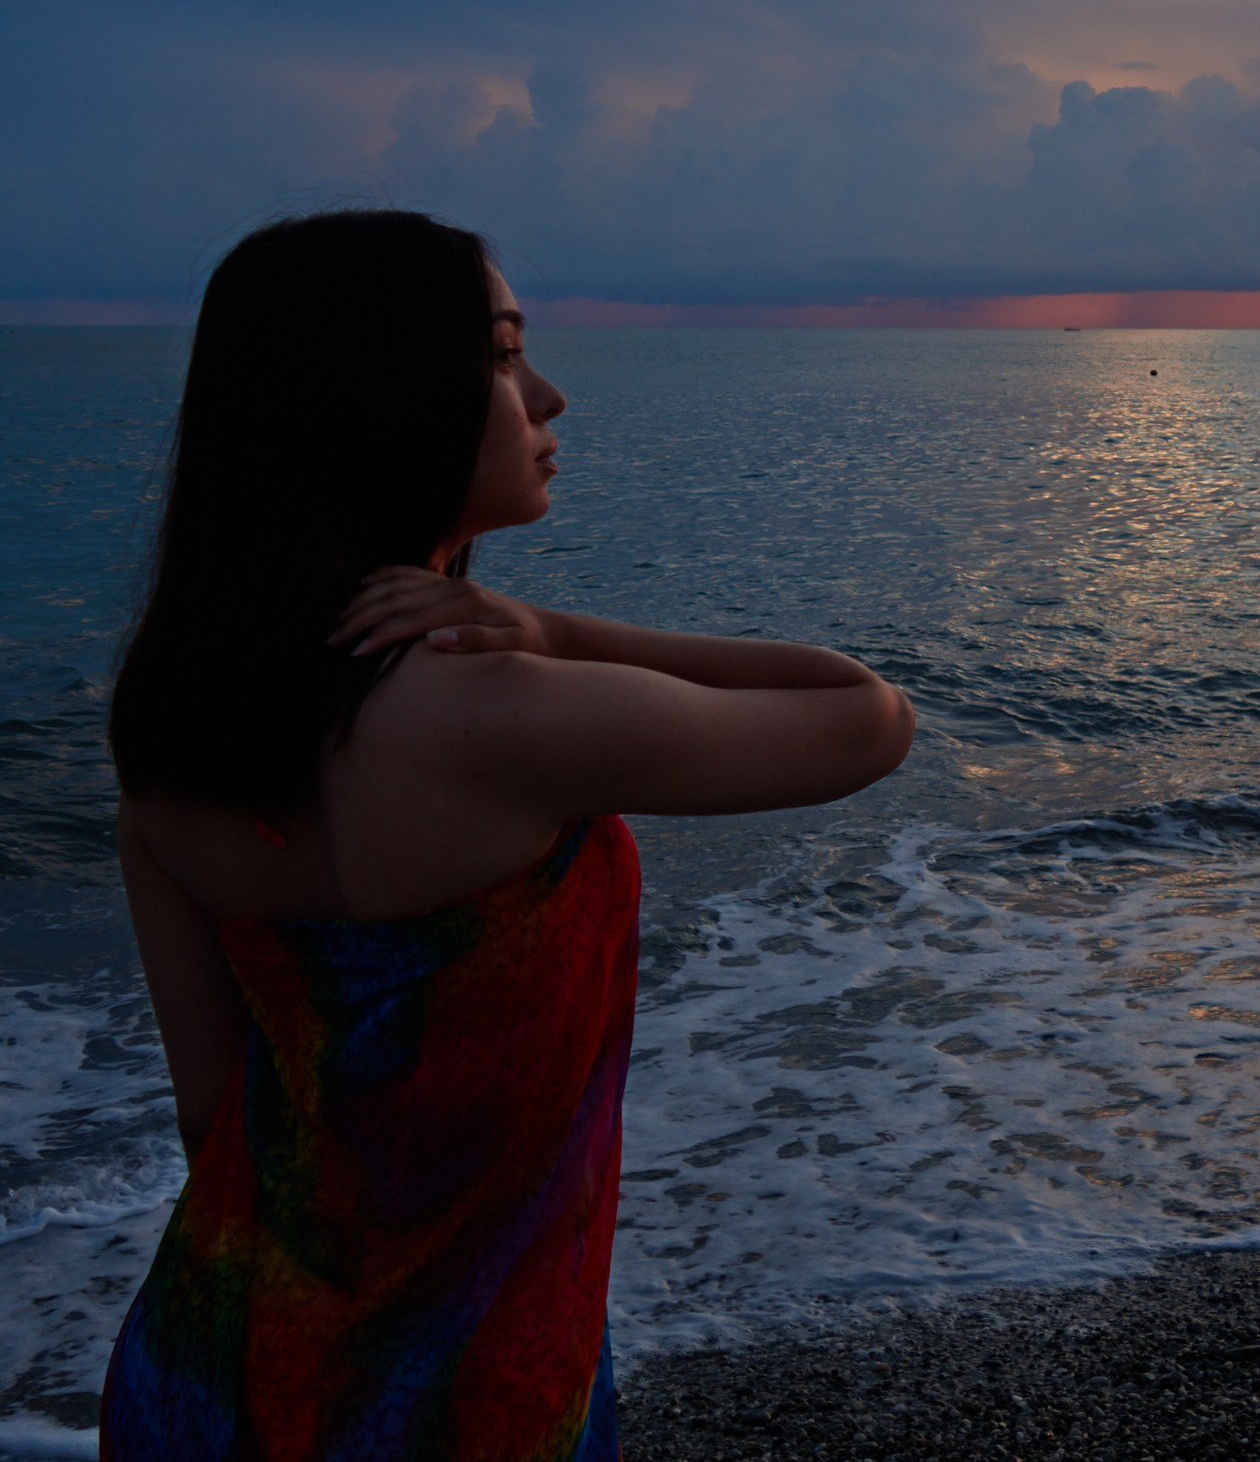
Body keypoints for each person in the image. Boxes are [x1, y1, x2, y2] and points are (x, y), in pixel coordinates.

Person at [97, 210, 913, 1460]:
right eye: (498, 356)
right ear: (383, 394)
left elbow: (213, 1114)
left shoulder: (170, 727)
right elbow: (863, 716)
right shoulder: (498, 714)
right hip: (468, 1403)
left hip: (210, 1375)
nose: (549, 393)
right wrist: (546, 628)